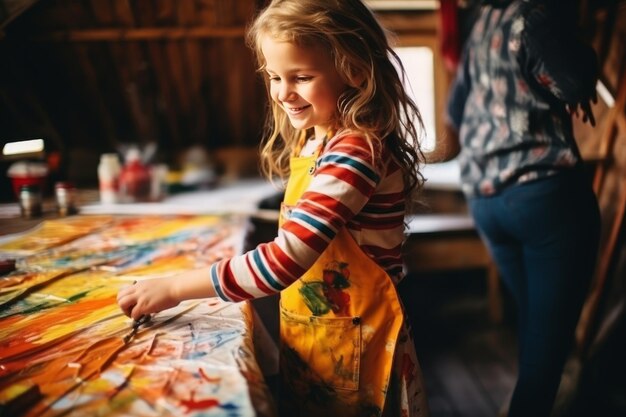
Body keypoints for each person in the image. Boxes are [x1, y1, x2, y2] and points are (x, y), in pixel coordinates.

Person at [117, 0, 430, 415]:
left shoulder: (355, 152)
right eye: (274, 76)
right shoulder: (318, 138)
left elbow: (284, 260)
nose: (283, 92)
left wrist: (175, 288)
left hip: (361, 350)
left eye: (301, 77)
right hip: (324, 339)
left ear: (354, 70)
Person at [433, 1, 601, 416]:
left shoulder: (484, 19)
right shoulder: (538, 13)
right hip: (543, 197)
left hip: (487, 200)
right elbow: (574, 82)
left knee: (536, 328)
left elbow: (455, 111)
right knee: (546, 356)